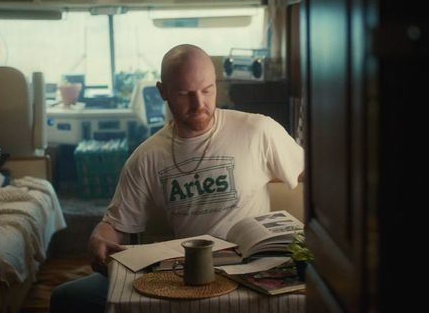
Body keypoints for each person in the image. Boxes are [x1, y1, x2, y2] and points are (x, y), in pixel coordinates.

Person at [50, 44, 304, 312]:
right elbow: (116, 225)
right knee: (68, 298)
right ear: (163, 92)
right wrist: (98, 238)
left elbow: (318, 177)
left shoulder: (258, 130)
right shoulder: (147, 156)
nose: (199, 104)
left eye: (207, 90)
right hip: (184, 272)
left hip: (252, 266)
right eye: (185, 94)